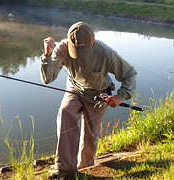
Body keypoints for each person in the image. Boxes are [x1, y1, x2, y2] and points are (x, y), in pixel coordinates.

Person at [40, 22, 137, 179]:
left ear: (93, 41)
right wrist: (47, 55)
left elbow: (130, 73)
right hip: (74, 88)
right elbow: (47, 78)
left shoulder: (106, 53)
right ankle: (64, 169)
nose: (78, 54)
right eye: (75, 50)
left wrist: (120, 96)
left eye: (82, 50)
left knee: (89, 134)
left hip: (98, 94)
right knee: (66, 113)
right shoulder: (62, 48)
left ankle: (85, 168)